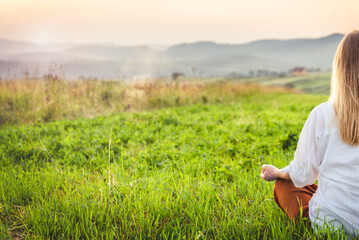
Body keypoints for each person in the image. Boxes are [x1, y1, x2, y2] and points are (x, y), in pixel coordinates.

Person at [260, 30, 359, 236]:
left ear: (339, 69)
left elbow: (303, 175)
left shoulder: (323, 113)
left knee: (284, 186)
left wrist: (278, 172)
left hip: (333, 226)